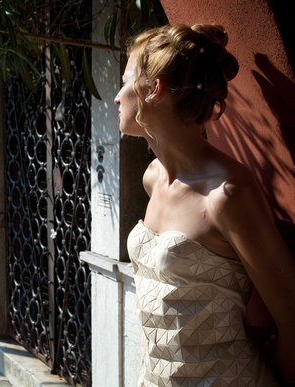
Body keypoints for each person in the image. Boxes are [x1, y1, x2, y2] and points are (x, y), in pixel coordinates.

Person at [114, 23, 295, 386]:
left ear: (155, 90)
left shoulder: (228, 195)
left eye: (126, 80)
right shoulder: (152, 177)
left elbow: (293, 318)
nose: (117, 97)